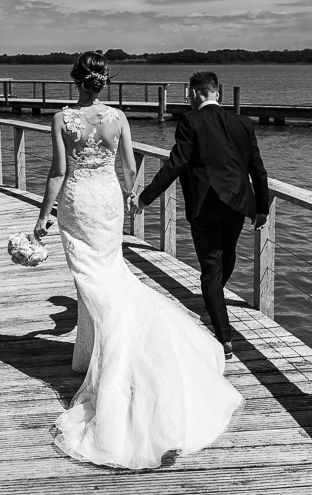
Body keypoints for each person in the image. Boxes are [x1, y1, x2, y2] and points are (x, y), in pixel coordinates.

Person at [33, 52, 242, 470]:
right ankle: (88, 355)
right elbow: (129, 166)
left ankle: (115, 359)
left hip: (78, 201)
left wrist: (43, 214)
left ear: (76, 81)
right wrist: (131, 199)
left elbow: (58, 172)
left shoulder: (61, 120)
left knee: (93, 282)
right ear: (103, 82)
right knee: (109, 275)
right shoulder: (119, 118)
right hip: (108, 200)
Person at [136, 71, 269, 359]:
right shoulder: (242, 122)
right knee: (226, 257)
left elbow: (176, 164)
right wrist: (262, 209)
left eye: (188, 95)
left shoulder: (190, 121)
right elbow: (257, 168)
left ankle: (224, 338)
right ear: (217, 93)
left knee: (211, 270)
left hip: (205, 207)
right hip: (237, 205)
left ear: (196, 93)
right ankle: (215, 299)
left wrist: (146, 198)